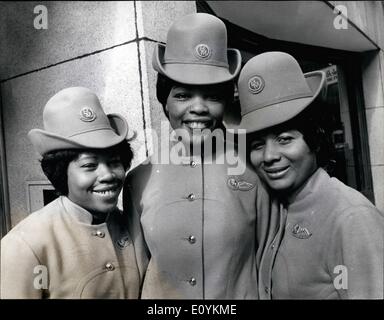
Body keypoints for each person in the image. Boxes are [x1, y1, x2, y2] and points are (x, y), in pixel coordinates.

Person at [124, 13, 274, 299]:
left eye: (212, 96)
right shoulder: (138, 179)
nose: (198, 108)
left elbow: (269, 257)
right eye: (182, 95)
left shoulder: (253, 163)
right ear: (164, 102)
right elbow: (137, 270)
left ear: (226, 102)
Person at [234, 51, 384, 299]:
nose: (269, 155)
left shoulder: (351, 217)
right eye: (257, 145)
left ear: (315, 140)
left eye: (285, 139)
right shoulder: (275, 208)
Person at [1, 87, 148, 298]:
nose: (108, 175)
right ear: (61, 173)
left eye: (114, 162)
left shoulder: (125, 223)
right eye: (89, 165)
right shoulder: (24, 245)